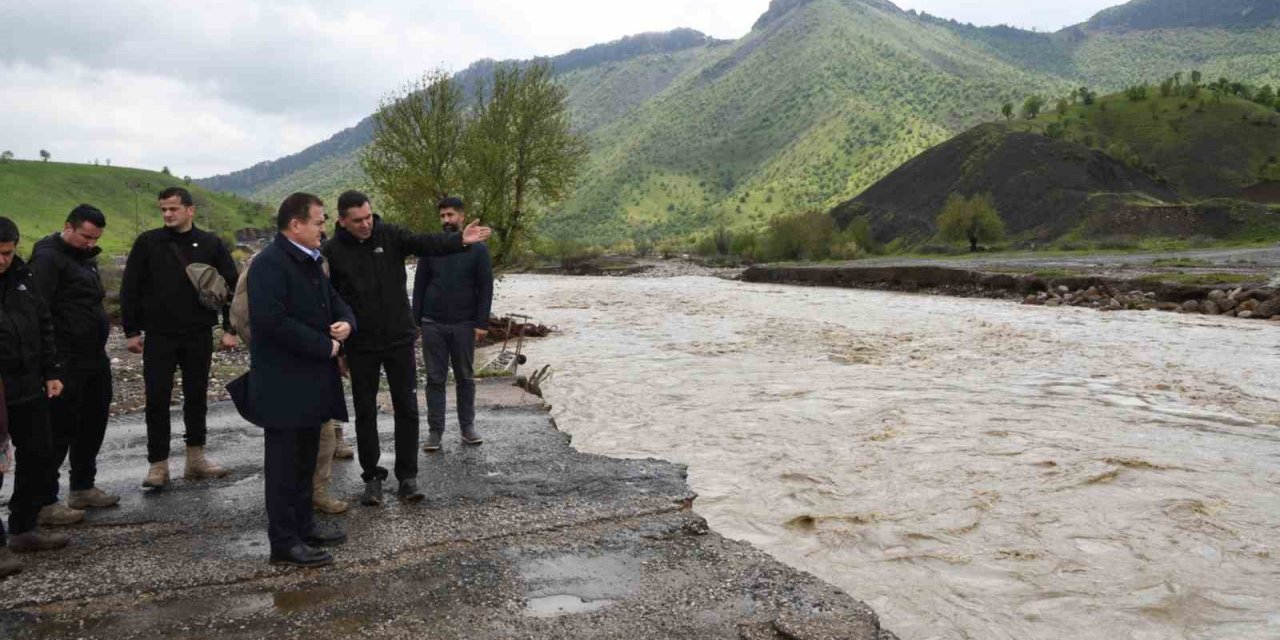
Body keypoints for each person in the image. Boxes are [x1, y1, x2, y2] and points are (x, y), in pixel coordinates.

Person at [323, 191, 491, 507]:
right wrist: (340, 349)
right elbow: (330, 302)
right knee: (365, 411)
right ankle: (372, 477)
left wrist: (461, 241)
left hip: (399, 339)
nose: (365, 224)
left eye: (369, 216)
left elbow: (427, 244)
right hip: (361, 343)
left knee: (407, 408)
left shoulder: (391, 234)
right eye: (357, 220)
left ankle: (407, 477)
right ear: (342, 221)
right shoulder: (332, 251)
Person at [241, 193, 352, 568]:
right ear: (296, 225)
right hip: (283, 384)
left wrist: (347, 322)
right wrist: (326, 347)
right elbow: (272, 322)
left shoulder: (311, 261)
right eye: (319, 222)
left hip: (311, 383)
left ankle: (304, 528)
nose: (324, 228)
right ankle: (284, 544)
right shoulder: (269, 265)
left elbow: (336, 301)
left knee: (306, 460)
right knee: (284, 466)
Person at [120, 187, 239, 489]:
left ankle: (195, 458)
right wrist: (131, 331)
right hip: (159, 335)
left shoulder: (211, 243)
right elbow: (130, 287)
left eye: (173, 208)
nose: (167, 214)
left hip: (198, 332)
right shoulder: (148, 243)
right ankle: (158, 465)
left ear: (190, 210)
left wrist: (230, 328)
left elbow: (231, 287)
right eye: (163, 209)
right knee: (157, 399)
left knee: (197, 396)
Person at [29, 205, 118, 521]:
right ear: (68, 227)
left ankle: (82, 487)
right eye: (86, 237)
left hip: (93, 357)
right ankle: (43, 500)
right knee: (58, 429)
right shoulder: (47, 259)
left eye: (95, 238)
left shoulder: (85, 257)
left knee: (92, 422)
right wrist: (49, 364)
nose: (91, 243)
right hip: (64, 360)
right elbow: (37, 312)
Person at [0, 217, 69, 558]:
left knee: (40, 454)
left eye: (7, 253)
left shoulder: (23, 278)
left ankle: (24, 528)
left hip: (27, 383)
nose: (1, 260)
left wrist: (51, 370)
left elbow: (43, 323)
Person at [411, 197, 494, 451]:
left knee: (465, 378)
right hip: (432, 323)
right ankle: (435, 431)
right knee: (434, 379)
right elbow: (420, 285)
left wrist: (481, 323)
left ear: (462, 216)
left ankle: (467, 427)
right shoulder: (433, 248)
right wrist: (416, 322)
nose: (446, 220)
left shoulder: (479, 250)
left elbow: (485, 288)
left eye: (451, 215)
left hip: (464, 324)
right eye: (442, 216)